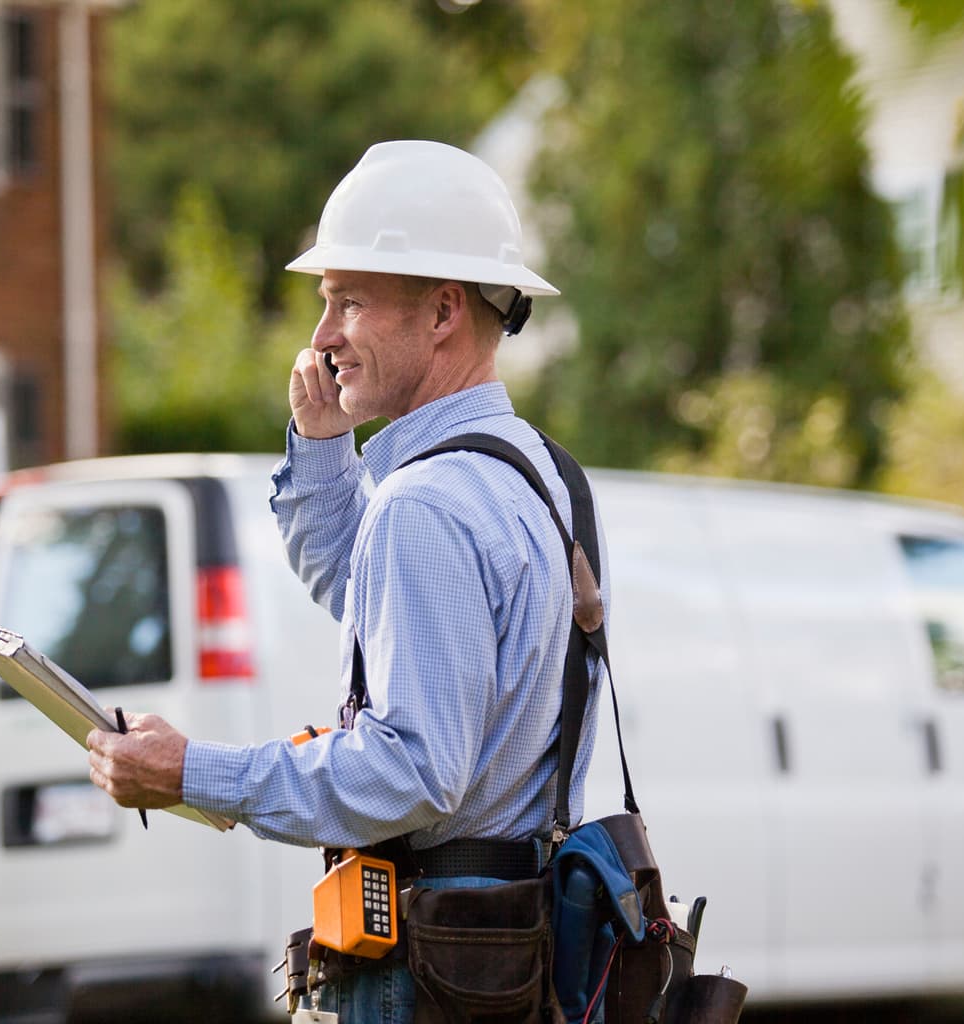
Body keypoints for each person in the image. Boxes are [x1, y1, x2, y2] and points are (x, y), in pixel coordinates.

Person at [86, 139, 609, 1022]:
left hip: (432, 972)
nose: (323, 337)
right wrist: (326, 445)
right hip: (511, 953)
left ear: (444, 311)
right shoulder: (544, 476)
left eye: (351, 303)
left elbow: (408, 774)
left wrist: (191, 772)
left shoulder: (426, 505)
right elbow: (375, 603)